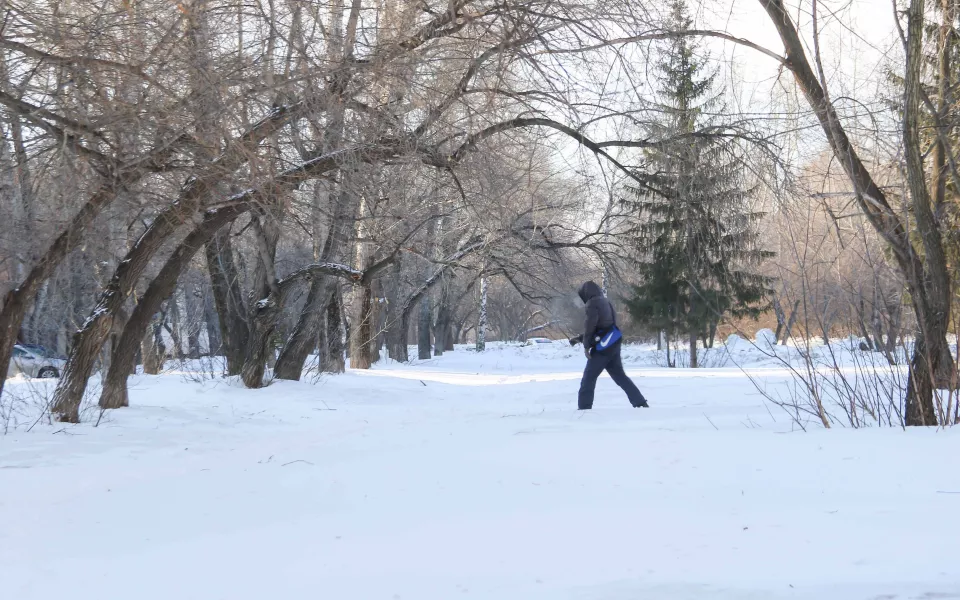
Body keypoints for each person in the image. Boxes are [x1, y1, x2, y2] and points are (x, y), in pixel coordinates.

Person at [569, 281, 648, 410]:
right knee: (620, 376)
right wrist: (580, 338)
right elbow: (605, 326)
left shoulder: (591, 304)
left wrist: (586, 345)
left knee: (588, 378)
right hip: (614, 343)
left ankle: (583, 409)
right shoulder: (606, 302)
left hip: (603, 348)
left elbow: (590, 326)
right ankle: (640, 403)